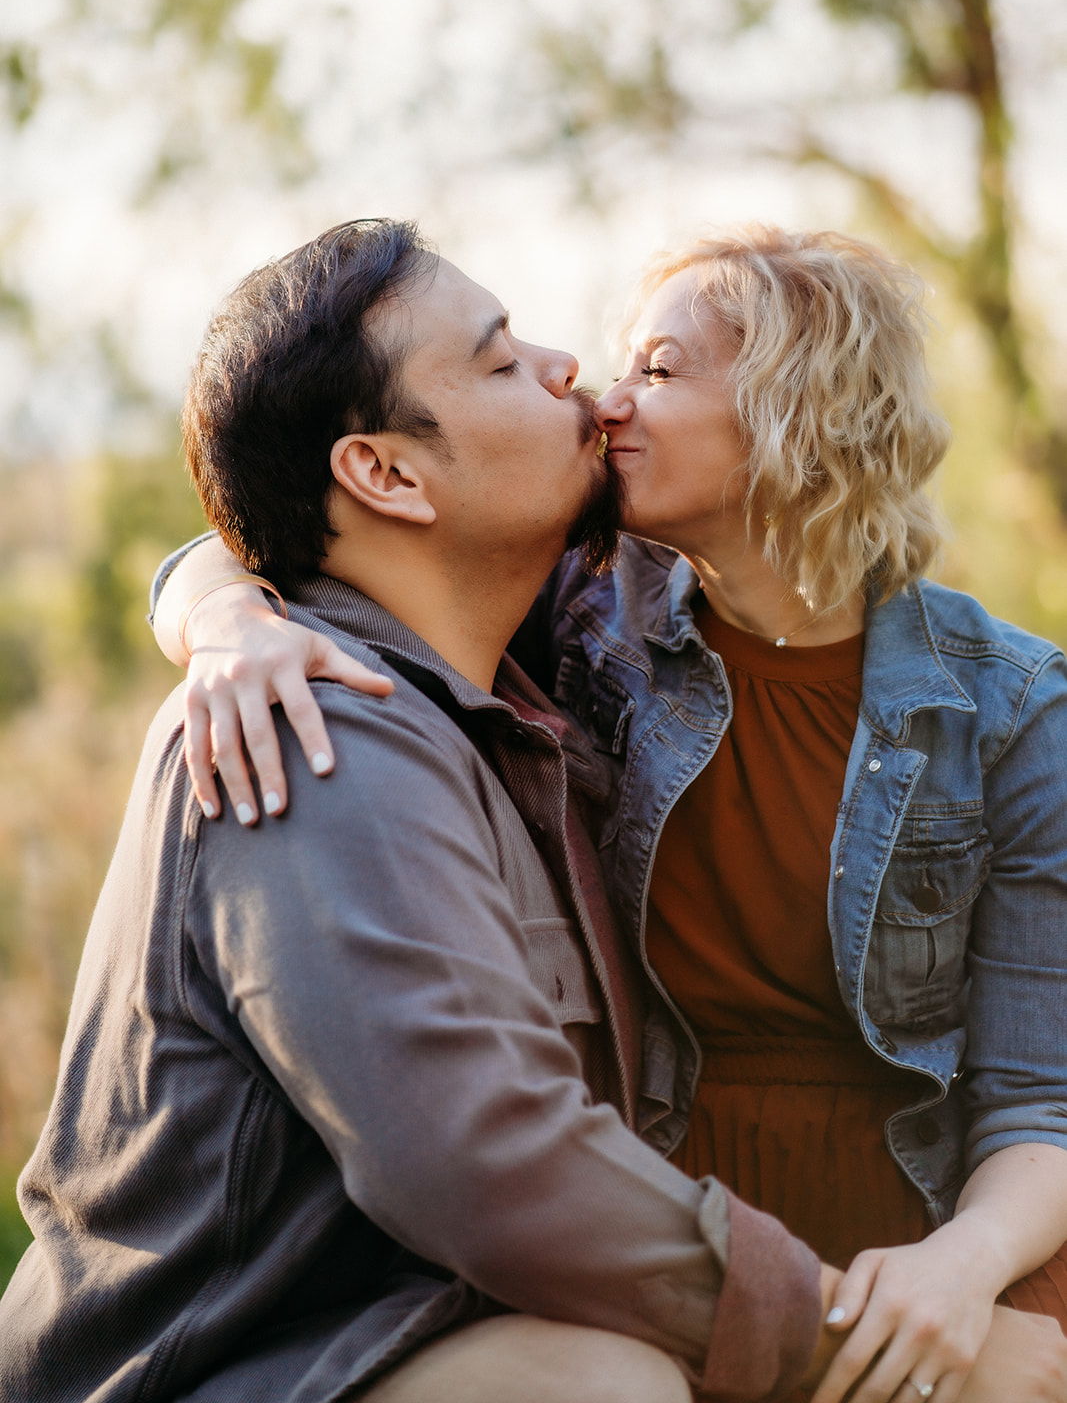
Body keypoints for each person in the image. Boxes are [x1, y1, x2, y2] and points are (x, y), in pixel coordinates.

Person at [156, 224, 1067, 1403]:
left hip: (924, 1225)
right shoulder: (582, 621)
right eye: (619, 364)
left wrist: (961, 1270)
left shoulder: (1012, 708)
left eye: (659, 368)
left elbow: (1037, 1089)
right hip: (652, 1228)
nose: (599, 391)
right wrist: (223, 615)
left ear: (804, 407)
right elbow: (301, 522)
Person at [0, 218, 847, 1403]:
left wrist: (215, 598)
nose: (568, 368)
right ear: (388, 474)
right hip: (211, 1373)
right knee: (591, 1387)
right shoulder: (309, 725)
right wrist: (860, 1348)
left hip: (391, 1338)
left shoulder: (533, 674)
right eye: (499, 362)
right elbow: (485, 1166)